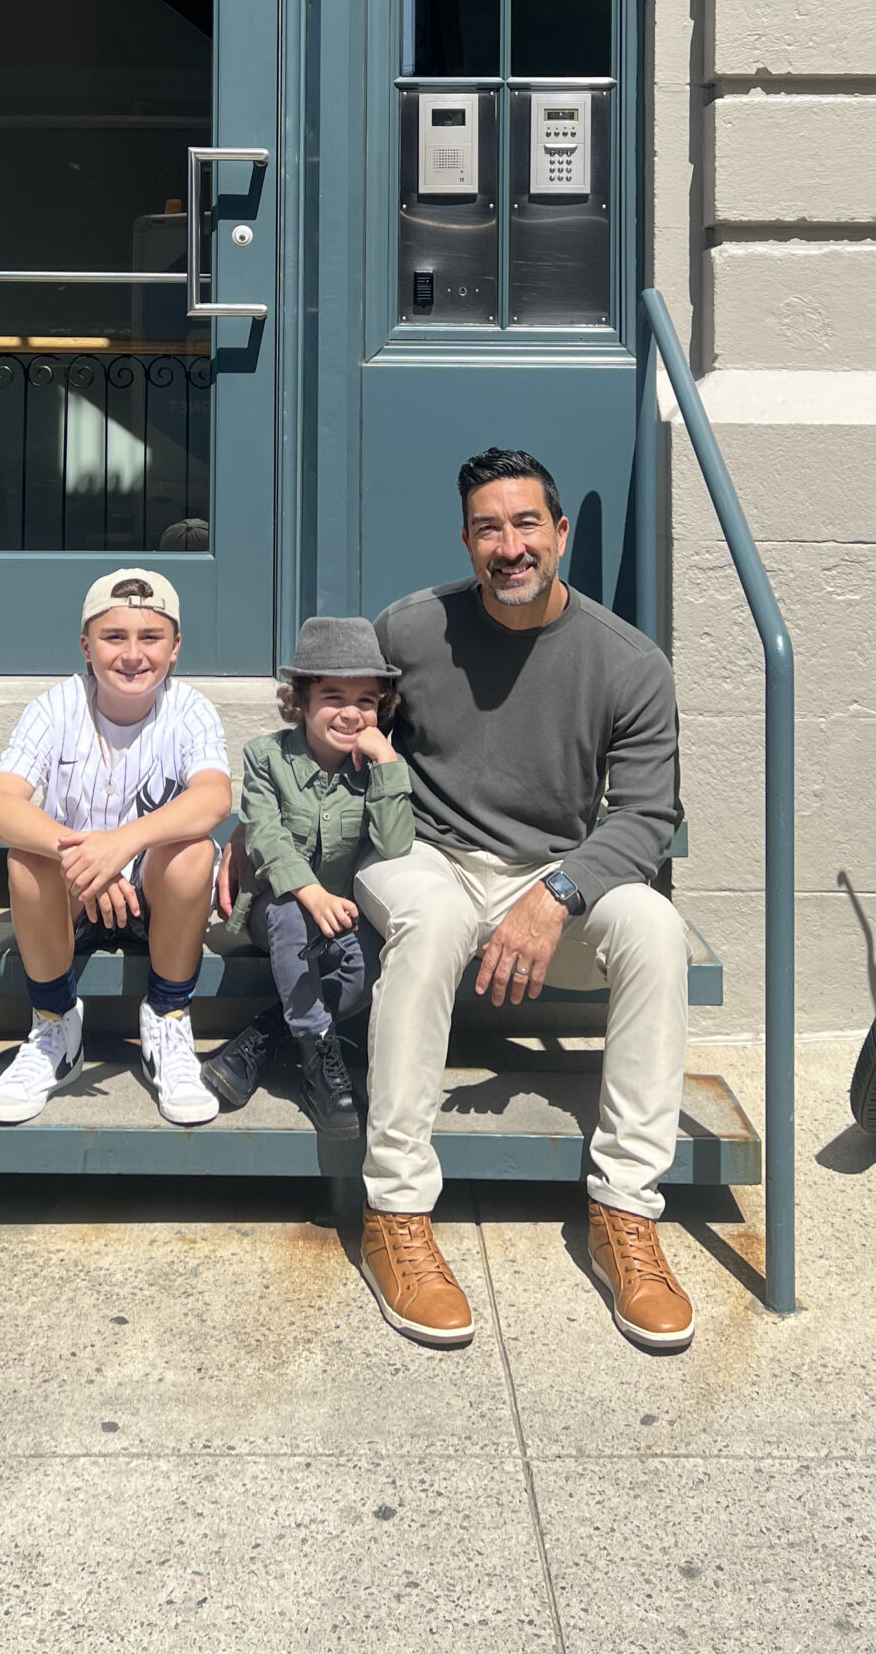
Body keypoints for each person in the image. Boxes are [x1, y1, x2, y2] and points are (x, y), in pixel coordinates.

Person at [354, 448, 694, 1353]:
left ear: (560, 533)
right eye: (488, 528)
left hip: (551, 876)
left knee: (655, 928)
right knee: (429, 921)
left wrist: (560, 891)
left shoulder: (627, 661)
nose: (510, 546)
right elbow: (333, 732)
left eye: (526, 524)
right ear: (466, 541)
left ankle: (626, 1210)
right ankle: (395, 1210)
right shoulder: (410, 630)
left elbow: (650, 813)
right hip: (426, 857)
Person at [0, 567, 232, 1128]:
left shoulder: (189, 710)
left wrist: (122, 844)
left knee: (192, 851)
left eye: (151, 638)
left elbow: (214, 797)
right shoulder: (55, 707)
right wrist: (81, 856)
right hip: (73, 898)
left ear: (176, 646)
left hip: (158, 899)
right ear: (86, 646)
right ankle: (55, 1027)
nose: (133, 655)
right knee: (27, 855)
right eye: (114, 637)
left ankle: (167, 1017)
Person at [201, 618, 415, 1135]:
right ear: (301, 700)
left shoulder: (375, 769)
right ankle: (322, 1070)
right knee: (290, 915)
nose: (351, 712)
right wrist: (312, 894)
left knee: (371, 961)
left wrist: (387, 765)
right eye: (333, 696)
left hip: (340, 920)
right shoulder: (265, 757)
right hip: (272, 911)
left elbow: (395, 846)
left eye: (367, 700)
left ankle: (264, 1038)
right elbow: (267, 838)